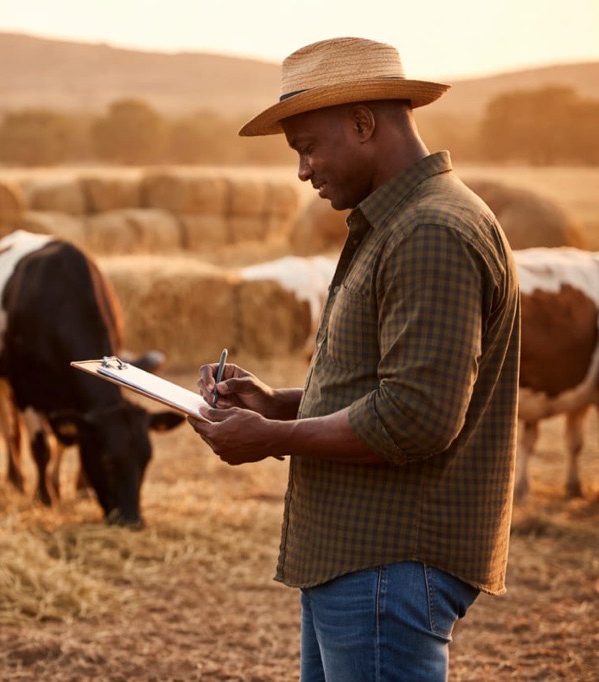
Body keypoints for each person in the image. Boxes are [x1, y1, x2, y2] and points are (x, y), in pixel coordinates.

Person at [188, 37, 520, 681]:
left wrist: (272, 437)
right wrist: (276, 402)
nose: (304, 171)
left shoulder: (429, 231)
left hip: (389, 561)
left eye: (308, 147)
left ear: (363, 123)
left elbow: (416, 417)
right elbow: (387, 385)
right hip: (364, 559)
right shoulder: (400, 223)